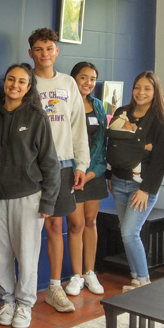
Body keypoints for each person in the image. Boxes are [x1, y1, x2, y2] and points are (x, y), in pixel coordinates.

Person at [0, 64, 60, 328]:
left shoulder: (36, 117)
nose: (15, 85)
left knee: (27, 255)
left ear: (29, 87)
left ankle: (25, 304)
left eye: (21, 81)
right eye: (10, 79)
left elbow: (50, 162)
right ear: (4, 81)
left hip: (29, 196)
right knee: (1, 254)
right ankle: (7, 300)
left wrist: (48, 201)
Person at [27, 28, 89, 312]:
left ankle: (54, 287)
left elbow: (78, 125)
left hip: (63, 164)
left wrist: (81, 164)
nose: (44, 54)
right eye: (39, 49)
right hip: (31, 167)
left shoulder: (68, 83)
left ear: (56, 51)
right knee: (26, 229)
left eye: (49, 48)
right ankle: (24, 291)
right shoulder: (25, 82)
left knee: (55, 225)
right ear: (31, 53)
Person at [105, 71, 164, 291]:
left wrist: (145, 189)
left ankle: (144, 282)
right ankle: (135, 277)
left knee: (129, 232)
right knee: (127, 232)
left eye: (147, 88)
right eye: (137, 87)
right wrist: (109, 177)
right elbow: (112, 147)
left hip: (141, 188)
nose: (141, 92)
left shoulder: (160, 121)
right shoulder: (122, 112)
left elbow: (160, 162)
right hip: (118, 181)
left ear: (155, 92)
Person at [69, 62, 107, 295]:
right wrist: (76, 170)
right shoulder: (66, 104)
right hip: (72, 174)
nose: (88, 83)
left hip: (93, 173)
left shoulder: (98, 106)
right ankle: (75, 276)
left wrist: (90, 172)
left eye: (92, 79)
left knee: (91, 223)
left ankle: (89, 272)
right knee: (76, 224)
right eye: (83, 77)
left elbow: (101, 143)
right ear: (73, 79)